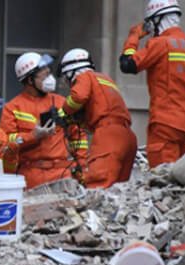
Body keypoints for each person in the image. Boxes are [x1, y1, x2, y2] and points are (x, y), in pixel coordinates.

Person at [119, 0, 185, 167]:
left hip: (165, 125)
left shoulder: (161, 44)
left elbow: (128, 64)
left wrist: (133, 37)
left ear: (157, 20)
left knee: (162, 178)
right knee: (179, 182)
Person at [0, 52, 88, 188]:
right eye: (44, 74)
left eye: (49, 72)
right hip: (31, 177)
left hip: (62, 174)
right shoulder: (12, 108)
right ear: (29, 80)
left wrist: (81, 167)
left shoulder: (62, 102)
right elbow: (6, 143)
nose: (50, 77)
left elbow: (78, 136)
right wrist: (32, 136)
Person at [58, 48, 138, 188]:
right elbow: (100, 106)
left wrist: (64, 112)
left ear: (71, 71)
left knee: (98, 187)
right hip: (128, 137)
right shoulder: (104, 79)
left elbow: (79, 97)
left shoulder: (84, 77)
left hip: (109, 135)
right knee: (118, 191)